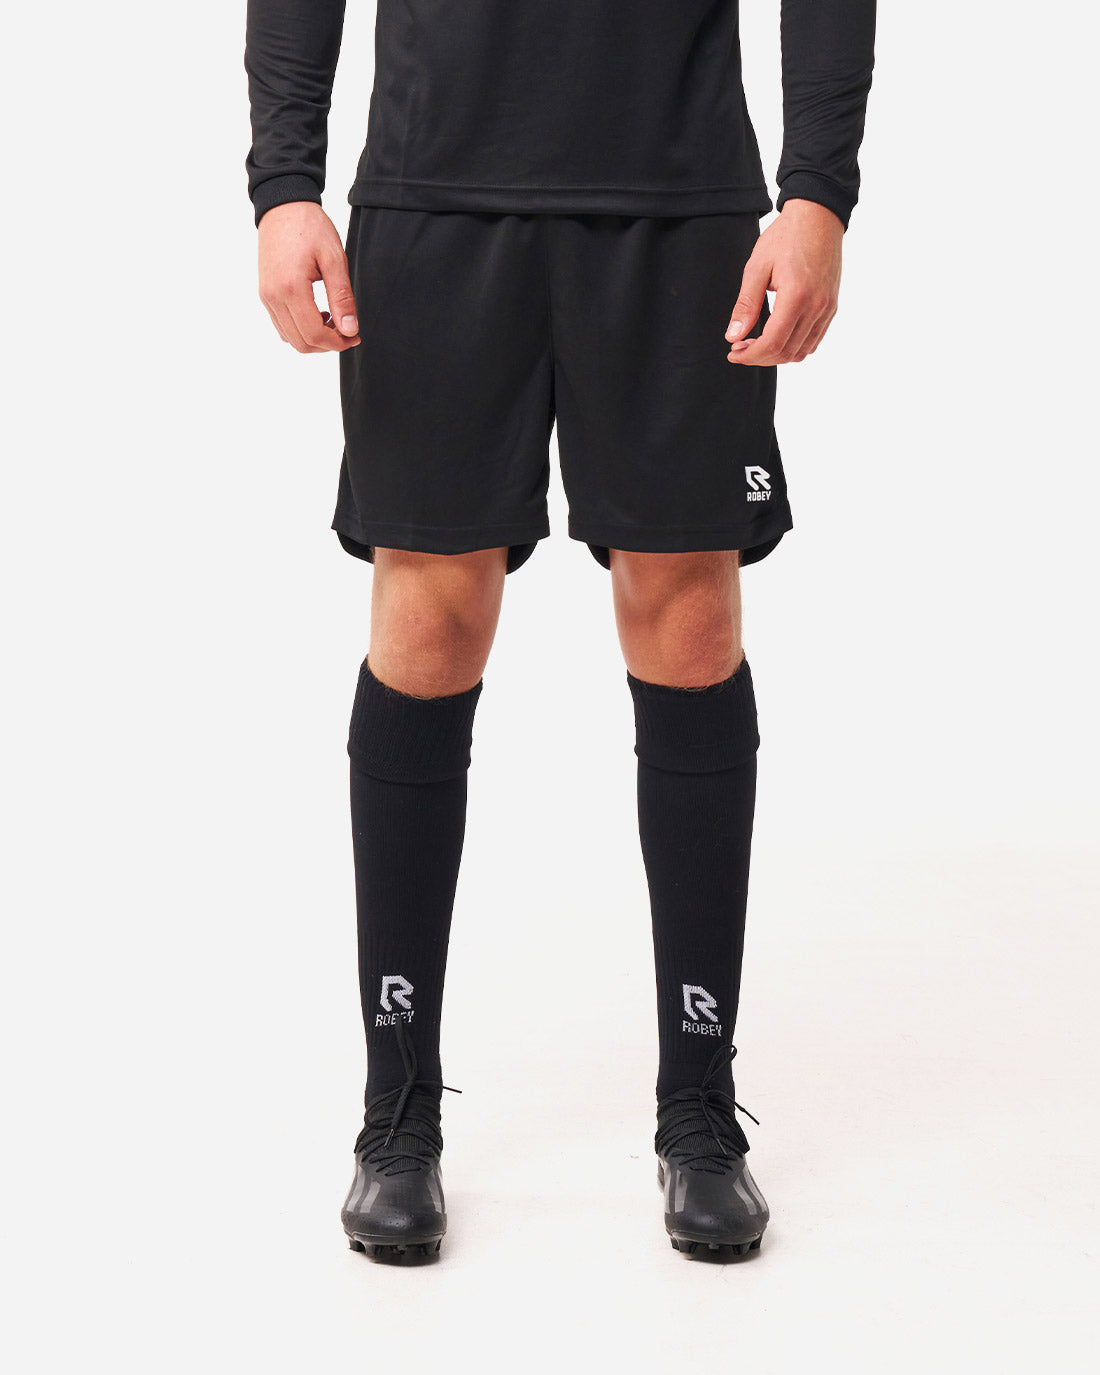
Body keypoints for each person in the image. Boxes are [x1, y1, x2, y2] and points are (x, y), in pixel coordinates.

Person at [244, 0, 875, 1263]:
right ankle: (397, 1113)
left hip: (677, 198)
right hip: (433, 193)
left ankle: (697, 1108)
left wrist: (816, 191)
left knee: (686, 619)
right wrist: (283, 182)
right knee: (427, 623)